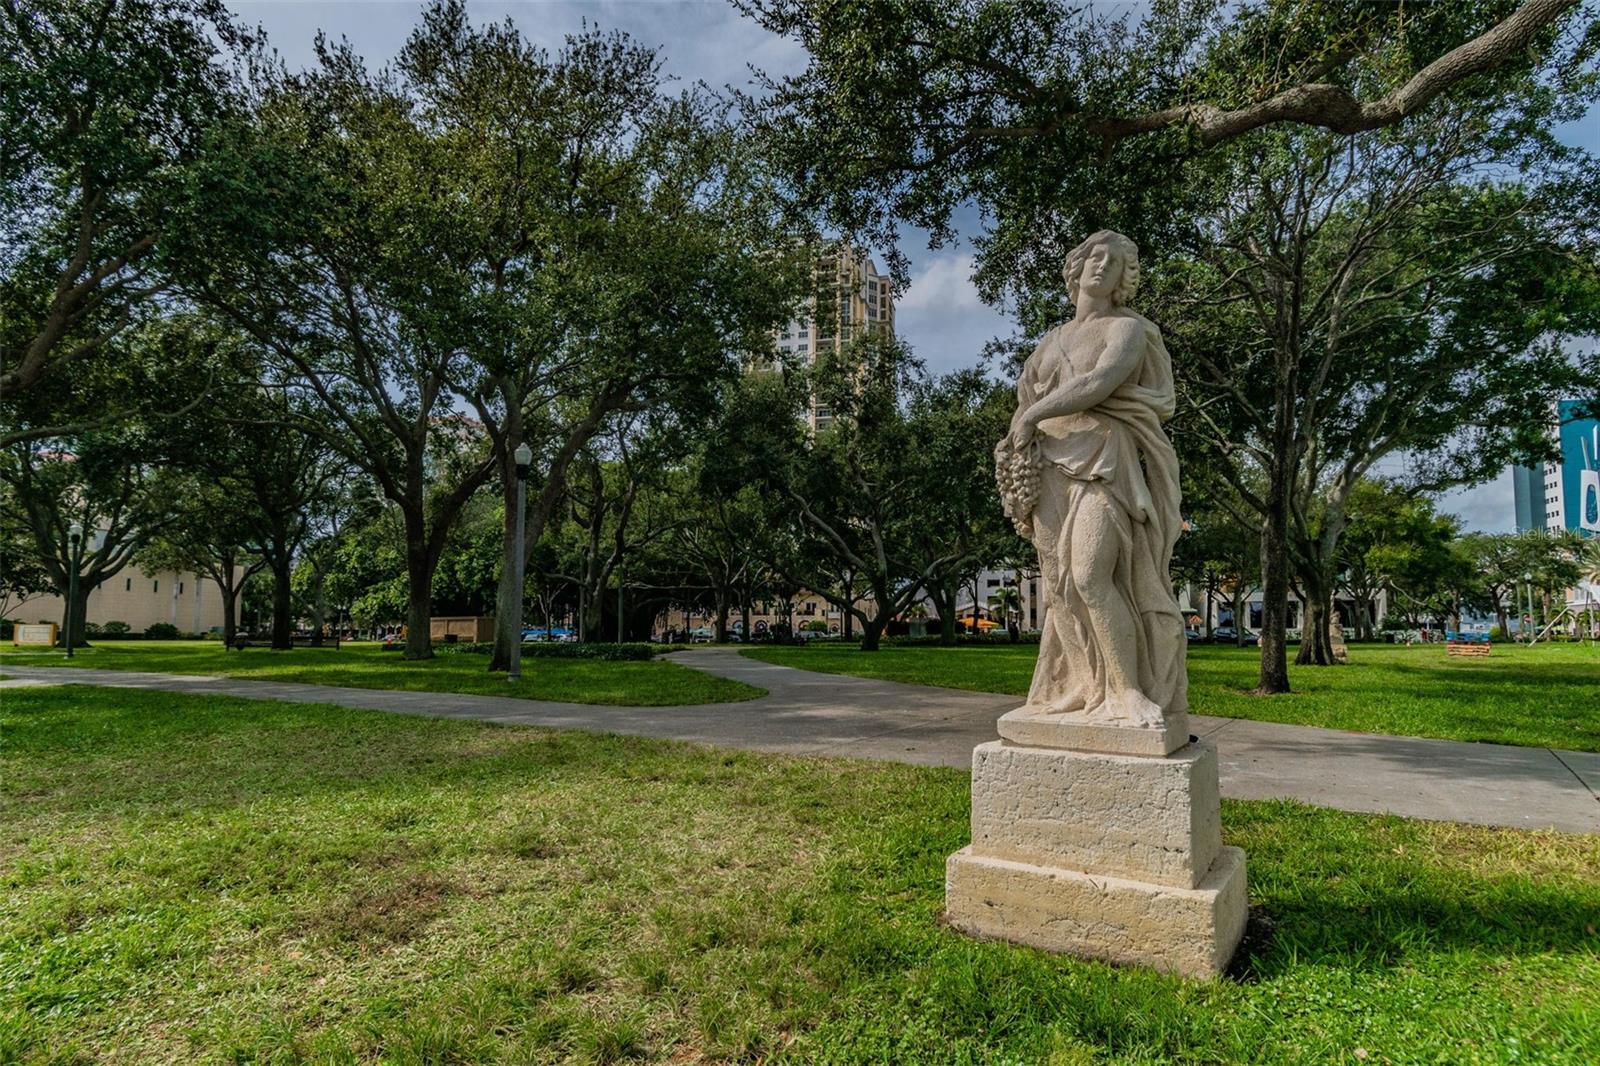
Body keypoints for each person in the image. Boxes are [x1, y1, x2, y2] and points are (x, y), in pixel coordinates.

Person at [995, 230, 1186, 727]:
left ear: (1126, 276)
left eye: (1115, 261)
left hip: (1102, 461)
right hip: (1048, 464)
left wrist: (1033, 414)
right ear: (1076, 268)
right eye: (1094, 257)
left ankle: (1126, 691)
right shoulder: (1050, 341)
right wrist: (1027, 426)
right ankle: (1080, 689)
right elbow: (1027, 401)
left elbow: (1096, 383)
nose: (1102, 266)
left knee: (1091, 575)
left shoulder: (1129, 329)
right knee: (1059, 587)